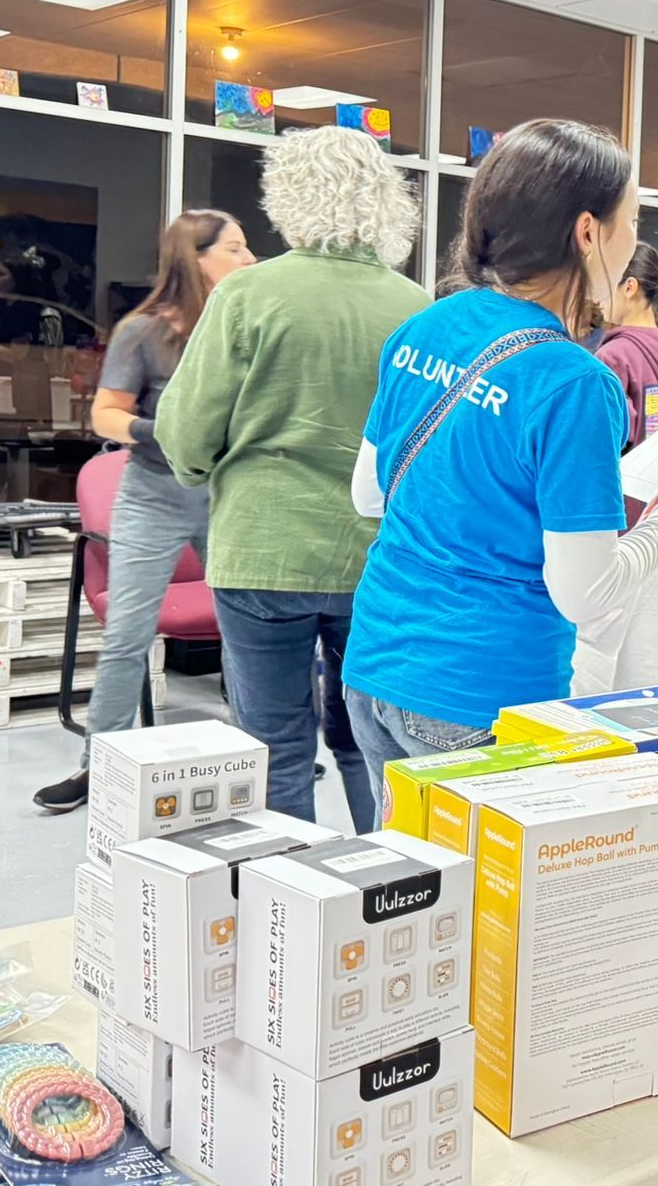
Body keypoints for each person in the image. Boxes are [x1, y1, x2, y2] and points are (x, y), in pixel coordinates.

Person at [343, 120, 658, 795]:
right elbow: (586, 593)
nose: (634, 241)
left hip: (374, 668)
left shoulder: (425, 325)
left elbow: (370, 494)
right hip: (482, 695)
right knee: (490, 899)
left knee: (410, 892)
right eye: (632, 220)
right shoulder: (572, 381)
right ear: (588, 233)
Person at [157, 127, 425, 828]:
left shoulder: (248, 295)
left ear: (287, 196)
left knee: (273, 743)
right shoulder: (419, 308)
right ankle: (390, 887)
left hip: (262, 551)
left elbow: (185, 433)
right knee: (374, 740)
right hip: (376, 557)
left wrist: (201, 469)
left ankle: (290, 903)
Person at [33, 211, 256, 813]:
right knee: (128, 637)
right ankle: (96, 767)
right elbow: (105, 415)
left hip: (227, 495)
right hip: (152, 496)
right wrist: (163, 430)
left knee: (248, 630)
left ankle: (261, 754)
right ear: (197, 258)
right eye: (235, 249)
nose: (250, 260)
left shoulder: (243, 327)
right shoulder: (143, 331)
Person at [580, 240, 658, 688]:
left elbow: (596, 455)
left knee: (606, 683)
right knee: (654, 674)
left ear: (630, 286)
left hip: (619, 537)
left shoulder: (614, 358)